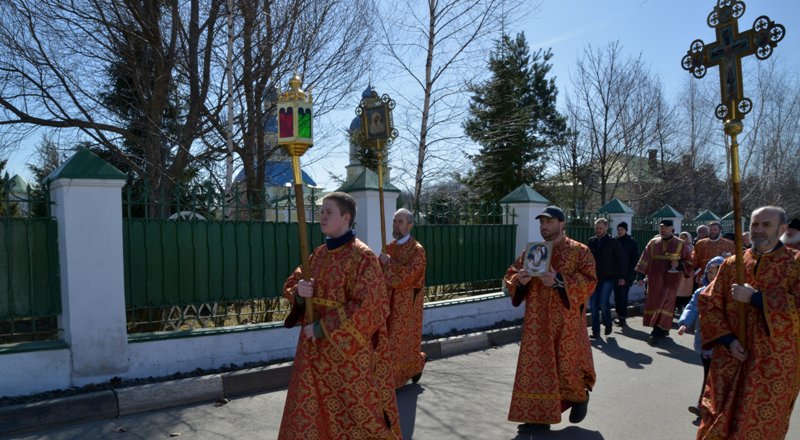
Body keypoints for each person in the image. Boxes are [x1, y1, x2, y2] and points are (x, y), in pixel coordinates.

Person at [279, 192, 401, 439]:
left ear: (346, 218)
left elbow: (371, 305)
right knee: (312, 413)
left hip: (347, 358)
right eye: (321, 211)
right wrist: (300, 292)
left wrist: (323, 327)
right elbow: (293, 282)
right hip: (313, 354)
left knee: (356, 415)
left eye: (329, 212)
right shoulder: (318, 254)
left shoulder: (363, 257)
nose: (322, 216)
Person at [697, 206, 800, 439]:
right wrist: (729, 340)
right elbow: (708, 303)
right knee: (716, 421)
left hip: (773, 364)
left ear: (782, 229)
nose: (759, 230)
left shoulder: (795, 263)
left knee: (758, 426)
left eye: (766, 224)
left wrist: (757, 298)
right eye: (755, 224)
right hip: (730, 358)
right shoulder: (732, 264)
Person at [503, 206, 597, 433]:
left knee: (566, 367)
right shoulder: (533, 251)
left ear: (561, 224)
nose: (544, 226)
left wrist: (559, 281)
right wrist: (520, 280)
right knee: (536, 370)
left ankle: (580, 397)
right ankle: (538, 417)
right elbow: (510, 274)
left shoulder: (579, 251)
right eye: (541, 222)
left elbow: (590, 281)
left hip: (566, 322)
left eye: (549, 222)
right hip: (536, 322)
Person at [379, 208, 427, 389]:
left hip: (407, 303)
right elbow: (380, 274)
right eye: (394, 221)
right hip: (388, 300)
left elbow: (409, 276)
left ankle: (395, 380)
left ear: (410, 225)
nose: (395, 225)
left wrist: (389, 263)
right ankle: (413, 366)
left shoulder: (417, 250)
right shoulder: (389, 247)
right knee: (387, 338)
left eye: (400, 222)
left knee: (400, 340)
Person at [677, 256, 724, 418]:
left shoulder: (728, 292)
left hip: (723, 342)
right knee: (708, 374)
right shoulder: (700, 292)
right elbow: (691, 308)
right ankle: (702, 405)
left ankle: (712, 405)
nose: (713, 275)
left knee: (717, 375)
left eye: (717, 271)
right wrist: (684, 323)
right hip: (705, 340)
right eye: (710, 272)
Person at [635, 219, 693, 346]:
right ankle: (664, 328)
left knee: (666, 304)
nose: (663, 230)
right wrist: (640, 276)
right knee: (654, 302)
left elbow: (689, 262)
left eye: (665, 227)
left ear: (671, 228)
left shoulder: (680, 243)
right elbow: (644, 259)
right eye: (661, 227)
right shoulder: (653, 242)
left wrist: (679, 264)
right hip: (654, 279)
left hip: (671, 281)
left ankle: (656, 331)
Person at [587, 218, 625, 338]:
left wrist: (622, 276)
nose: (598, 230)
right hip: (593, 278)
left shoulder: (613, 242)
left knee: (603, 303)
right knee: (593, 305)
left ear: (606, 228)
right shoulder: (591, 241)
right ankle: (595, 331)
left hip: (608, 278)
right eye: (597, 228)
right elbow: (587, 259)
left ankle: (608, 323)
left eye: (601, 228)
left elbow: (621, 260)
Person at [691, 221, 735, 285]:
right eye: (711, 230)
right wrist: (695, 272)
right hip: (703, 275)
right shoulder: (700, 243)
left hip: (721, 275)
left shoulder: (729, 244)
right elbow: (695, 259)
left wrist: (727, 258)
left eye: (715, 230)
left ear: (720, 230)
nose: (712, 231)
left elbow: (733, 261)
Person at [614, 221, 639, 327]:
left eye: (622, 230)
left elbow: (634, 261)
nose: (619, 232)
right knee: (617, 297)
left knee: (622, 296)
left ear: (626, 230)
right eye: (618, 230)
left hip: (626, 275)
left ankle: (622, 318)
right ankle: (619, 315)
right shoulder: (615, 241)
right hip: (615, 275)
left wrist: (627, 277)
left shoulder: (631, 242)